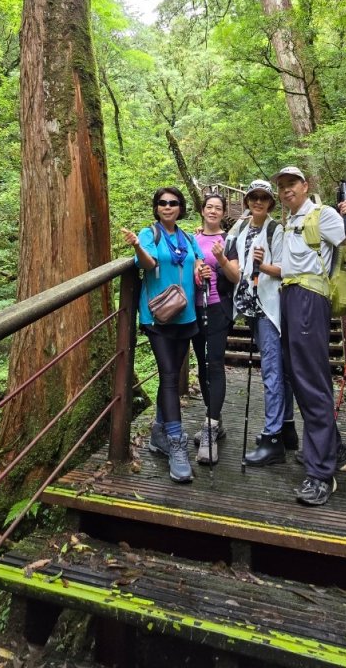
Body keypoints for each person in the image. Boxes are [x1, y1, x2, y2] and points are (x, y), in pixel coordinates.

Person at [274, 165, 346, 506]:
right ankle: (335, 452)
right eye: (282, 186)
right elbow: (286, 267)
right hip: (290, 298)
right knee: (302, 380)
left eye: (292, 184)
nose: (286, 191)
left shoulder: (322, 214)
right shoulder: (291, 222)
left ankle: (320, 473)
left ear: (305, 185)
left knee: (311, 383)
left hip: (310, 300)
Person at [122, 187, 203, 484]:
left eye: (173, 203)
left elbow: (197, 263)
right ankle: (176, 443)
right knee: (169, 374)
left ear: (180, 208)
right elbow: (148, 264)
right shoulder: (149, 234)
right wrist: (136, 246)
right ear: (156, 208)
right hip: (158, 316)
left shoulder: (188, 238)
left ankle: (158, 434)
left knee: (170, 376)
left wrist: (201, 271)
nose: (167, 207)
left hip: (186, 315)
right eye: (162, 203)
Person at [224, 180, 297, 466]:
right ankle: (287, 428)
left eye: (263, 198)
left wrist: (261, 264)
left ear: (270, 203)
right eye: (253, 197)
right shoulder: (241, 227)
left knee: (271, 370)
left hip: (268, 306)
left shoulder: (275, 229)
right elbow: (226, 249)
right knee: (277, 365)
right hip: (248, 306)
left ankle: (273, 438)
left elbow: (284, 268)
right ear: (247, 201)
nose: (257, 201)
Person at [192, 193, 238, 465]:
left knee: (215, 364)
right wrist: (197, 273)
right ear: (202, 210)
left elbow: (235, 276)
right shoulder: (191, 239)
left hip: (218, 308)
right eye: (209, 206)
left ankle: (209, 427)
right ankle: (215, 420)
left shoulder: (229, 241)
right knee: (201, 364)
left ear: (223, 213)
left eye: (218, 208)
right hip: (194, 309)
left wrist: (220, 260)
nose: (213, 211)